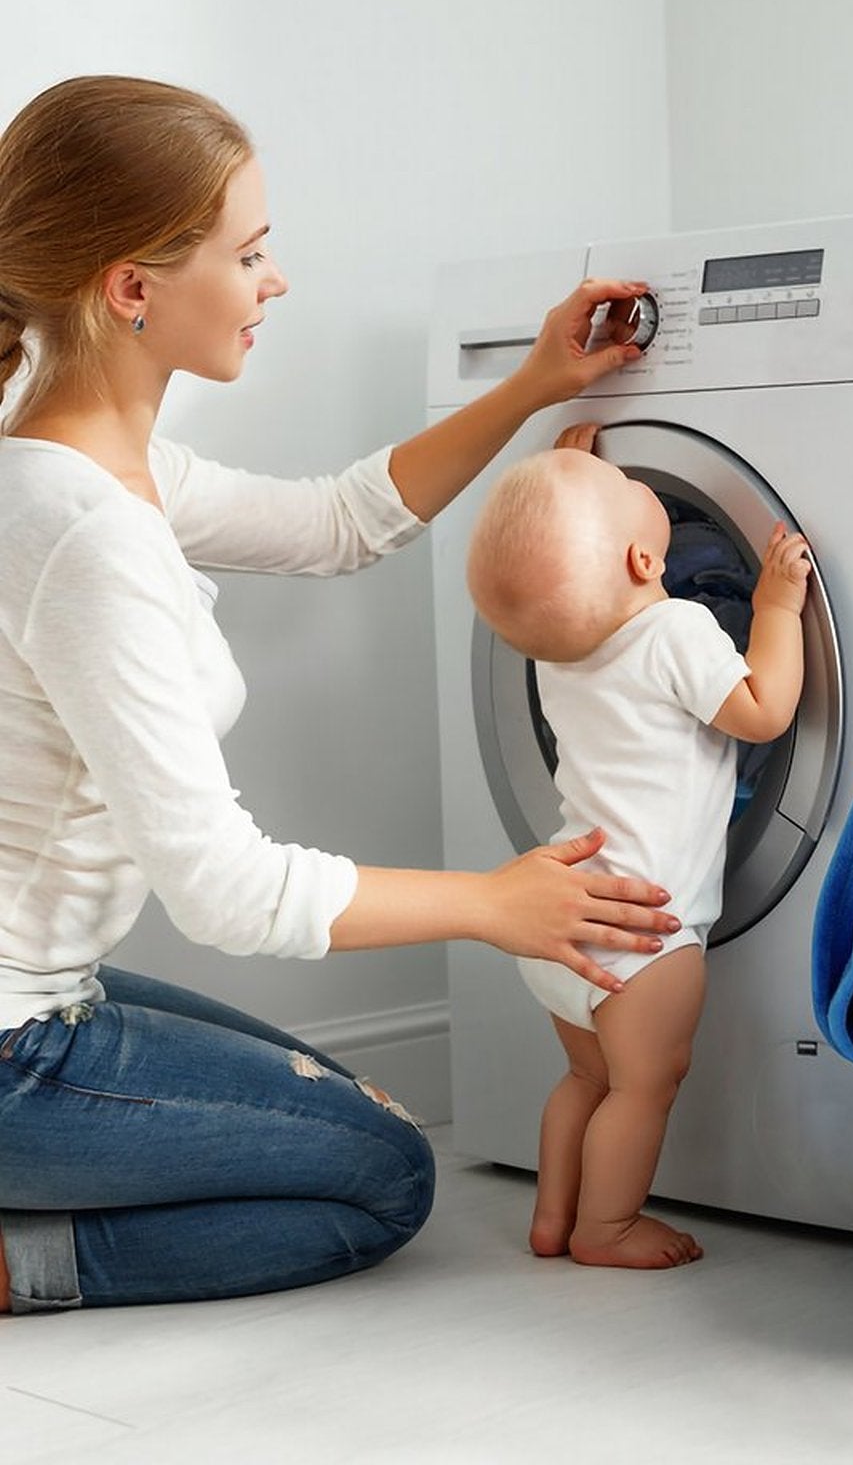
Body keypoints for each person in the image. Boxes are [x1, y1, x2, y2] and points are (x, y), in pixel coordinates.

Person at [0, 75, 683, 1314]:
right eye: (249, 253)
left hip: (39, 993)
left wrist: (536, 382)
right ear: (131, 288)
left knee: (338, 1108)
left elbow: (338, 522)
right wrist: (494, 903)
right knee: (381, 1176)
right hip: (14, 1047)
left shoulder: (86, 460)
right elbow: (225, 887)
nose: (277, 282)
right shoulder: (83, 531)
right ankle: (19, 1259)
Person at [466, 434, 810, 1268]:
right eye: (624, 482)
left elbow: (562, 577)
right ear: (646, 559)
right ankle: (607, 1227)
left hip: (567, 913)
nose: (628, 476)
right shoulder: (678, 628)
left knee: (586, 1081)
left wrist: (565, 483)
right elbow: (762, 712)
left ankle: (552, 1217)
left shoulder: (557, 648)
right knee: (645, 1087)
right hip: (645, 933)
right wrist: (772, 611)